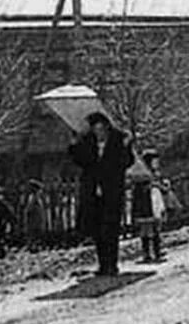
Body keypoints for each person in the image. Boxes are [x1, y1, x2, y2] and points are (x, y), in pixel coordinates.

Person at [69, 111, 135, 276]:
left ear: (107, 129)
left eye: (101, 130)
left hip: (112, 193)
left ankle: (112, 264)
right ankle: (102, 264)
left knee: (110, 229)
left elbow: (127, 162)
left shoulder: (117, 144)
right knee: (97, 230)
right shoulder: (89, 146)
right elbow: (79, 160)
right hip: (93, 193)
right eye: (96, 130)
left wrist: (127, 145)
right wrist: (74, 144)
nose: (99, 134)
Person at [128, 149, 175, 263]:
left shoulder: (154, 174)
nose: (157, 163)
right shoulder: (142, 175)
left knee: (155, 228)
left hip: (155, 203)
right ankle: (148, 253)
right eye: (155, 160)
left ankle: (156, 251)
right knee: (147, 229)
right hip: (147, 204)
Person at [22, 178, 47, 252]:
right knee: (33, 233)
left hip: (34, 218)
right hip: (35, 217)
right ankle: (33, 246)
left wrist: (27, 212)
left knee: (33, 232)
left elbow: (31, 207)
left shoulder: (34, 197)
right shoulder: (35, 197)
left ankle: (33, 246)